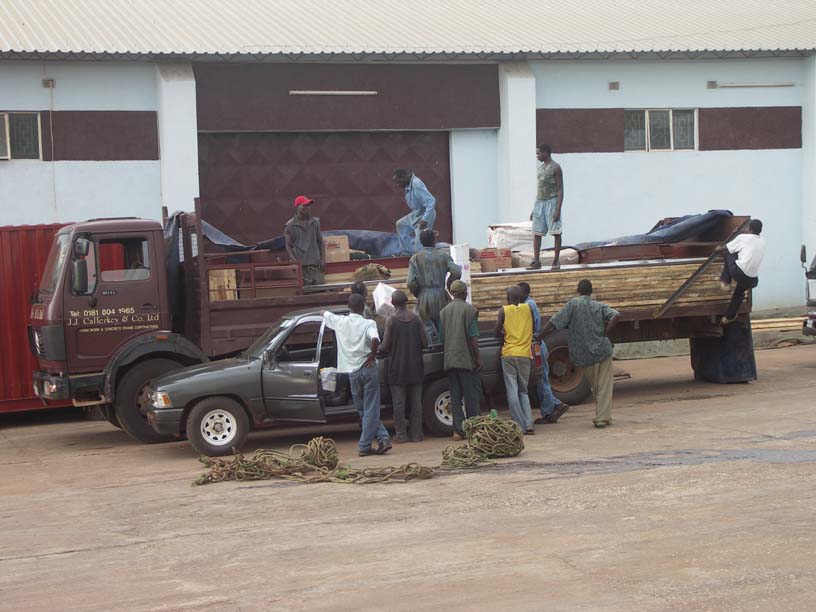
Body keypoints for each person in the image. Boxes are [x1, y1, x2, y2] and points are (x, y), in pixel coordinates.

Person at [538, 280, 620, 429]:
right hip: (602, 350)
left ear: (578, 290)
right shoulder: (598, 306)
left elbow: (554, 322)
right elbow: (615, 315)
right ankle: (602, 418)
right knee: (604, 386)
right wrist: (605, 333)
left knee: (595, 386)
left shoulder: (573, 304)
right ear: (591, 291)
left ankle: (603, 416)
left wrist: (539, 336)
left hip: (584, 354)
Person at [323, 294, 392, 456]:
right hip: (368, 369)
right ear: (363, 308)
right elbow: (375, 339)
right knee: (370, 408)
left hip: (352, 372)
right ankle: (365, 445)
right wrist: (372, 355)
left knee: (363, 409)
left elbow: (323, 313)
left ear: (348, 306)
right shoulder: (368, 323)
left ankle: (383, 438)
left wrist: (323, 313)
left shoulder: (340, 321)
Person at [517, 282, 569, 424]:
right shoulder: (529, 303)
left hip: (535, 346)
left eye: (519, 292)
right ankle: (555, 404)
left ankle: (550, 410)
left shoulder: (528, 305)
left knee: (541, 379)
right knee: (541, 378)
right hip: (537, 346)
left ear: (526, 293)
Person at [378, 290, 426, 443]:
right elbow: (425, 343)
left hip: (397, 369)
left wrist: (375, 348)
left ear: (392, 303)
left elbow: (385, 345)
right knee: (416, 403)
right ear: (406, 302)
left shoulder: (391, 320)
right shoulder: (417, 318)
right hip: (416, 367)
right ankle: (417, 435)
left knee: (399, 404)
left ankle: (401, 435)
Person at [438, 280, 482, 441]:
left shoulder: (443, 312)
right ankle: (474, 428)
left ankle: (458, 431)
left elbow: (442, 337)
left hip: (450, 359)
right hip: (466, 359)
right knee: (471, 395)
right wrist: (477, 358)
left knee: (455, 397)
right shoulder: (469, 310)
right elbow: (473, 338)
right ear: (464, 293)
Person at [407, 229, 461, 338]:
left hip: (424, 296)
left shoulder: (415, 258)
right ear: (434, 241)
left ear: (421, 242)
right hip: (441, 294)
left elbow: (410, 282)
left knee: (428, 330)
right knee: (444, 328)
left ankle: (431, 351)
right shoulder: (444, 255)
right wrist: (449, 285)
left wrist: (419, 293)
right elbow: (457, 272)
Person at [495, 286, 535, 435]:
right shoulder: (529, 309)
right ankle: (529, 424)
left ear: (507, 297)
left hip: (509, 354)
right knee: (523, 391)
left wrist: (503, 331)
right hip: (525, 354)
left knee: (512, 390)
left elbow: (495, 332)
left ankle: (519, 425)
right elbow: (534, 327)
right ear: (522, 297)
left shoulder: (503, 311)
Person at [717, 219, 766, 325]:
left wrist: (718, 248)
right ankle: (728, 317)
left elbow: (726, 248)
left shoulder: (742, 238)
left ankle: (725, 281)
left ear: (750, 229)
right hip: (752, 280)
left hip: (739, 273)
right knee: (738, 294)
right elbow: (747, 243)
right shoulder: (762, 241)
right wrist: (739, 234)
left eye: (747, 227)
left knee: (728, 253)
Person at [528, 144, 564, 270]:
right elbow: (540, 189)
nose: (537, 156)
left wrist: (558, 209)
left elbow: (560, 189)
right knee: (537, 233)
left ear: (546, 153)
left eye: (539, 153)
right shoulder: (541, 168)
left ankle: (556, 261)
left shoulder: (556, 168)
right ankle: (536, 261)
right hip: (540, 203)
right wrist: (534, 208)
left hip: (552, 202)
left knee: (556, 232)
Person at [393, 168, 437, 255]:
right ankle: (407, 253)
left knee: (420, 241)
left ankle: (419, 256)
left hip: (425, 214)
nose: (398, 185)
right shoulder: (408, 184)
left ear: (404, 177)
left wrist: (425, 219)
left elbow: (431, 201)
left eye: (398, 182)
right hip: (416, 213)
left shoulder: (416, 184)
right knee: (401, 224)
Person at [284, 195, 325, 286]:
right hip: (301, 266)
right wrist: (295, 262)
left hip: (315, 264)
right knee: (305, 291)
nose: (307, 208)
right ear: (297, 207)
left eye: (309, 205)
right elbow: (288, 246)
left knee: (320, 289)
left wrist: (323, 259)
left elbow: (320, 241)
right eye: (304, 205)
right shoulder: (290, 226)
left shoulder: (315, 222)